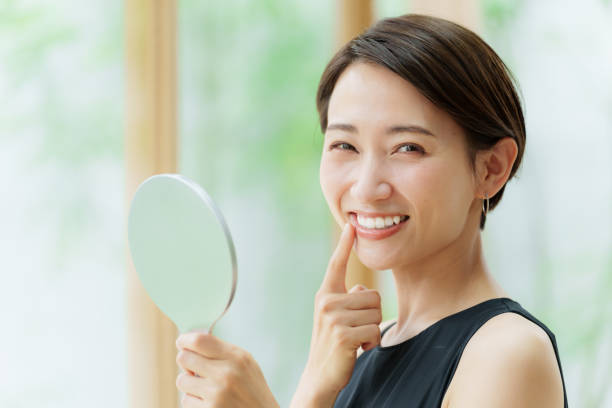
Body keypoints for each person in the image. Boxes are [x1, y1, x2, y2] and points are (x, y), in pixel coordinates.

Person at [174, 13, 569, 407]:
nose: (366, 187)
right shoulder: (355, 352)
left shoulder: (507, 353)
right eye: (345, 146)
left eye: (408, 148)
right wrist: (313, 387)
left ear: (491, 168)